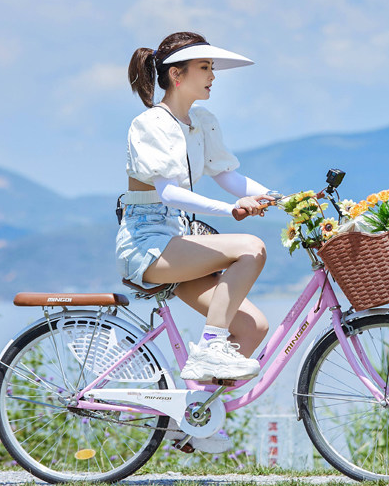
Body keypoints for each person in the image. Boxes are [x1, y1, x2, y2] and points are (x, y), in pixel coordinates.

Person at [116, 31, 275, 385]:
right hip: (148, 244)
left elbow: (229, 177)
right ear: (177, 74)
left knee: (252, 327)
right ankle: (209, 347)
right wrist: (232, 210)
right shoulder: (150, 124)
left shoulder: (200, 121)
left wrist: (283, 199)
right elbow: (168, 193)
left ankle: (194, 418)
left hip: (178, 240)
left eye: (211, 68)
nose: (212, 76)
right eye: (205, 67)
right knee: (251, 248)